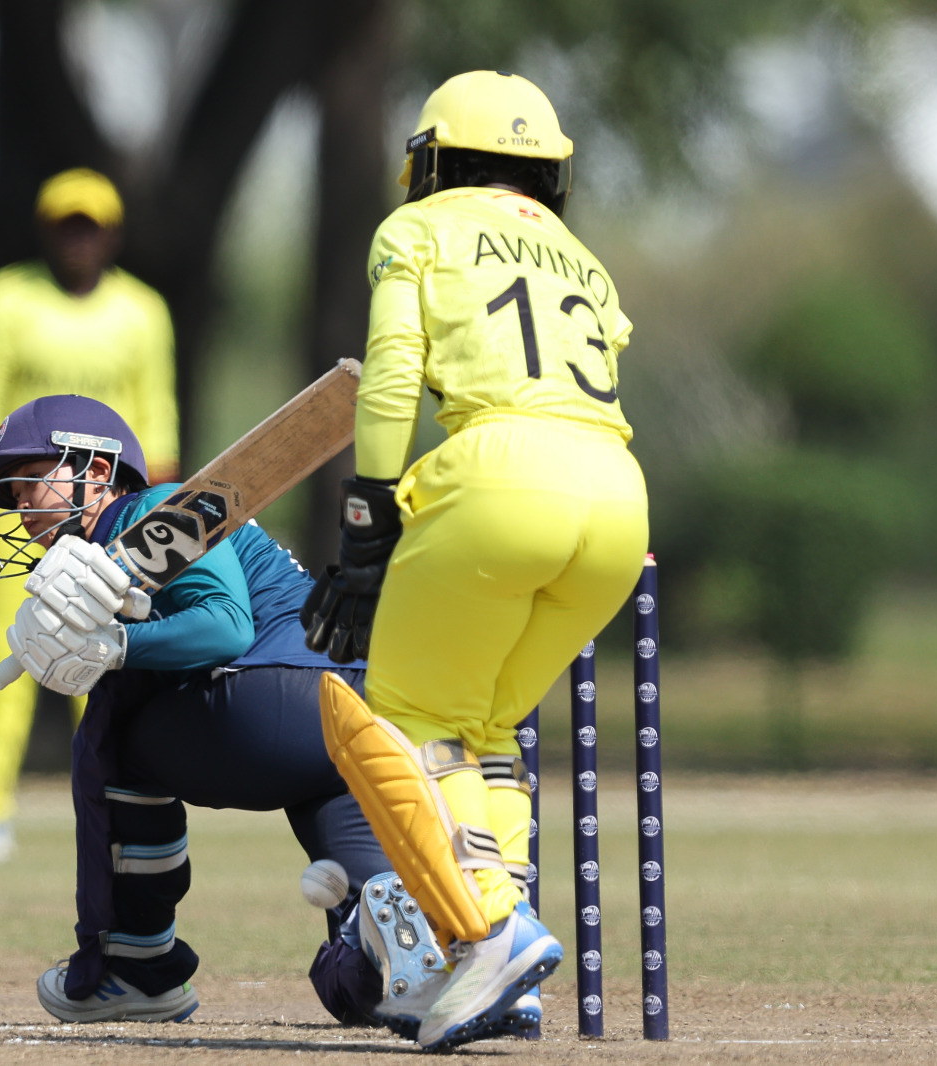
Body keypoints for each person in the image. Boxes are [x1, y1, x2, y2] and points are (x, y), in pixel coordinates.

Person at [0, 394, 541, 1036]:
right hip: (356, 730)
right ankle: (470, 967)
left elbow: (225, 628)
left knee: (113, 731)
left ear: (95, 472)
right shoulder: (128, 542)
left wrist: (116, 648)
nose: (17, 505)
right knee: (360, 986)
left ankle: (137, 965)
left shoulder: (154, 508)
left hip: (280, 699)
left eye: (27, 480)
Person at [301, 70, 651, 1050]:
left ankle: (491, 927)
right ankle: (499, 970)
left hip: (497, 475)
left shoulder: (416, 228)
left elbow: (395, 372)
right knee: (485, 729)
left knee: (405, 721)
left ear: (432, 161)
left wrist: (368, 508)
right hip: (616, 495)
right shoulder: (583, 258)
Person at [0, 168, 179, 863]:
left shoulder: (142, 312)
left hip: (106, 513)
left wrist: (156, 522)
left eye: (90, 227)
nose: (78, 240)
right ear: (47, 230)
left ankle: (120, 798)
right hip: (21, 511)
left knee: (102, 658)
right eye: (67, 225)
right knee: (1, 653)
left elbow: (157, 426)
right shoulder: (7, 299)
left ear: (111, 235)